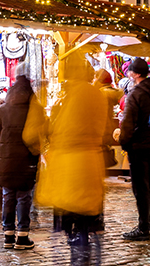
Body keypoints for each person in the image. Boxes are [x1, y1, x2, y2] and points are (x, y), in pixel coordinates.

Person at [27, 53, 112, 266]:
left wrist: (43, 125)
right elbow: (105, 129)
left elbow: (51, 130)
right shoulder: (96, 95)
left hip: (69, 169)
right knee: (84, 221)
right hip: (91, 166)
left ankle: (79, 255)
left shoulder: (67, 98)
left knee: (72, 222)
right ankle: (84, 251)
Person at [0, 63, 40, 250]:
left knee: (8, 196)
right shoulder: (34, 109)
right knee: (24, 197)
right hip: (26, 159)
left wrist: (1, 150)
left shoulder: (4, 109)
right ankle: (22, 236)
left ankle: (8, 236)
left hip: (6, 159)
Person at [118, 57, 150, 242]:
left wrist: (124, 142)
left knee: (140, 187)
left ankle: (144, 227)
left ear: (134, 73)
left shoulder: (135, 94)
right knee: (147, 185)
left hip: (138, 144)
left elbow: (128, 123)